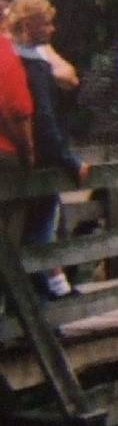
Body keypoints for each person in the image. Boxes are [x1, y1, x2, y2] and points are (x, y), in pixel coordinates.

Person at [8, 0, 87, 297]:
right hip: (36, 159)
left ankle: (49, 292)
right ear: (29, 25)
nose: (52, 30)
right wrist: (70, 160)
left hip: (17, 155)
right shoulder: (33, 65)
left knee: (24, 232)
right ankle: (49, 297)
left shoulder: (13, 58)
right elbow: (43, 120)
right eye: (47, 24)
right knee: (41, 229)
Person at [0, 14, 32, 253]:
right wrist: (27, 150)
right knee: (9, 236)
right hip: (5, 152)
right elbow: (19, 110)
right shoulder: (6, 54)